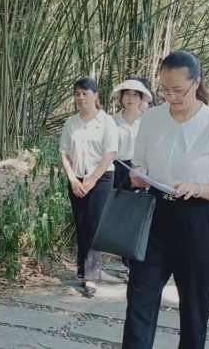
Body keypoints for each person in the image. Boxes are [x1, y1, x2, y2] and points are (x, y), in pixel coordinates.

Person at [123, 51, 209, 349]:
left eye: (178, 90)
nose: (171, 97)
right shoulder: (151, 119)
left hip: (197, 222)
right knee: (139, 301)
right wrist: (138, 173)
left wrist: (197, 187)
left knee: (194, 312)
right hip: (154, 218)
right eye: (165, 90)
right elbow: (139, 163)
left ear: (197, 83)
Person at [59, 77, 118, 295]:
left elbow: (109, 153)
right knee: (81, 223)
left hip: (101, 178)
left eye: (85, 93)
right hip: (77, 178)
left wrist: (92, 179)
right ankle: (84, 270)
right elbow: (64, 153)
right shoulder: (71, 123)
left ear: (96, 95)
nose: (81, 97)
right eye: (77, 94)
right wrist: (73, 179)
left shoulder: (107, 122)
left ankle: (91, 276)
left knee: (93, 224)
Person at [111, 79, 153, 189]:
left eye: (135, 94)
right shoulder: (112, 121)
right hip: (117, 170)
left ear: (141, 98)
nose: (130, 98)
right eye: (127, 93)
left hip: (142, 170)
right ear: (121, 97)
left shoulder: (149, 120)